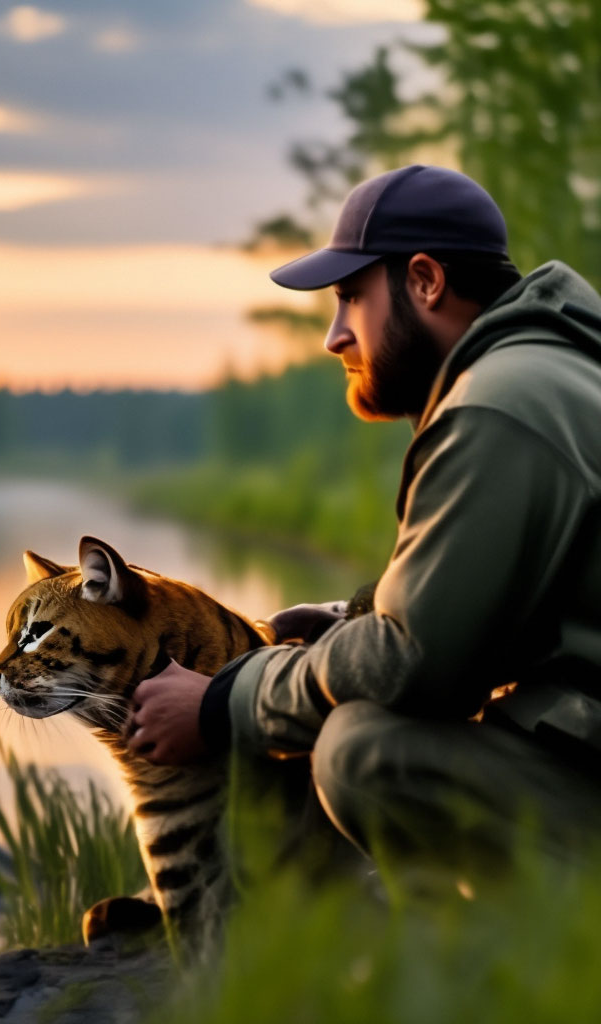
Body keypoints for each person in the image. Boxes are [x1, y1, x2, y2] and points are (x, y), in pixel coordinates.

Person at [128, 164, 601, 875]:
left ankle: (504, 958)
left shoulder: (493, 406)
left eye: (350, 297)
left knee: (362, 749)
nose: (334, 336)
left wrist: (222, 702)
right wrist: (352, 617)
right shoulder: (551, 372)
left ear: (425, 281)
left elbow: (415, 666)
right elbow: (494, 612)